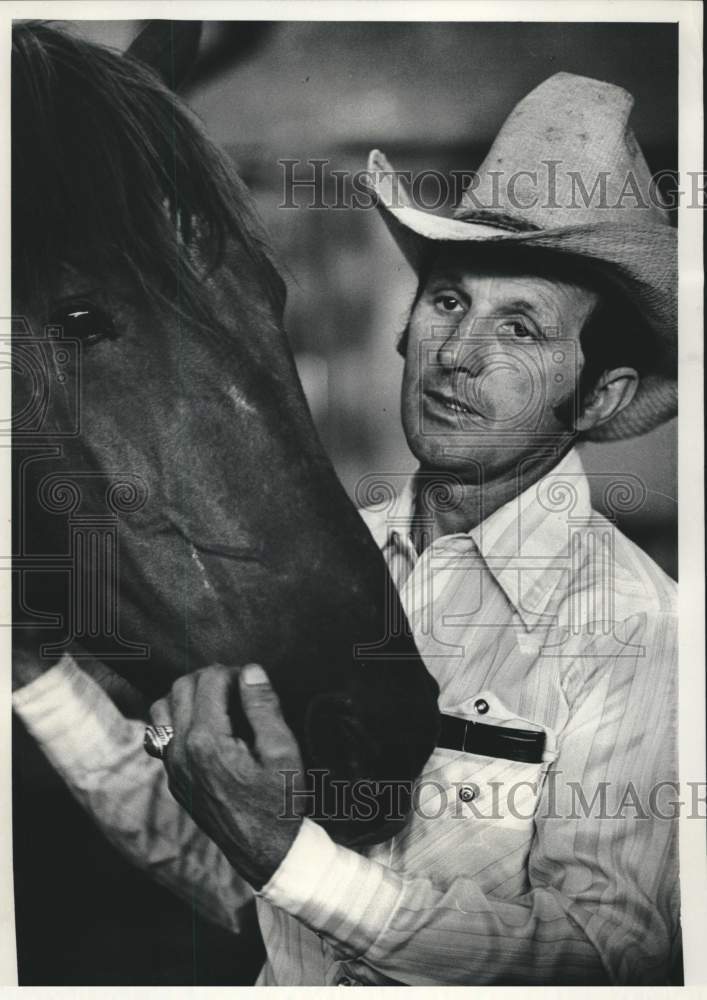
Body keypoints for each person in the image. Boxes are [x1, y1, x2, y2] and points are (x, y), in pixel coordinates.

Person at [13, 72, 679, 985]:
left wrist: (296, 862)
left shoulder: (638, 632)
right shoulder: (332, 566)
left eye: (519, 328)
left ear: (596, 397)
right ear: (405, 331)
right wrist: (39, 675)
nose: (458, 352)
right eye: (447, 302)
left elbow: (613, 958)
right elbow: (239, 869)